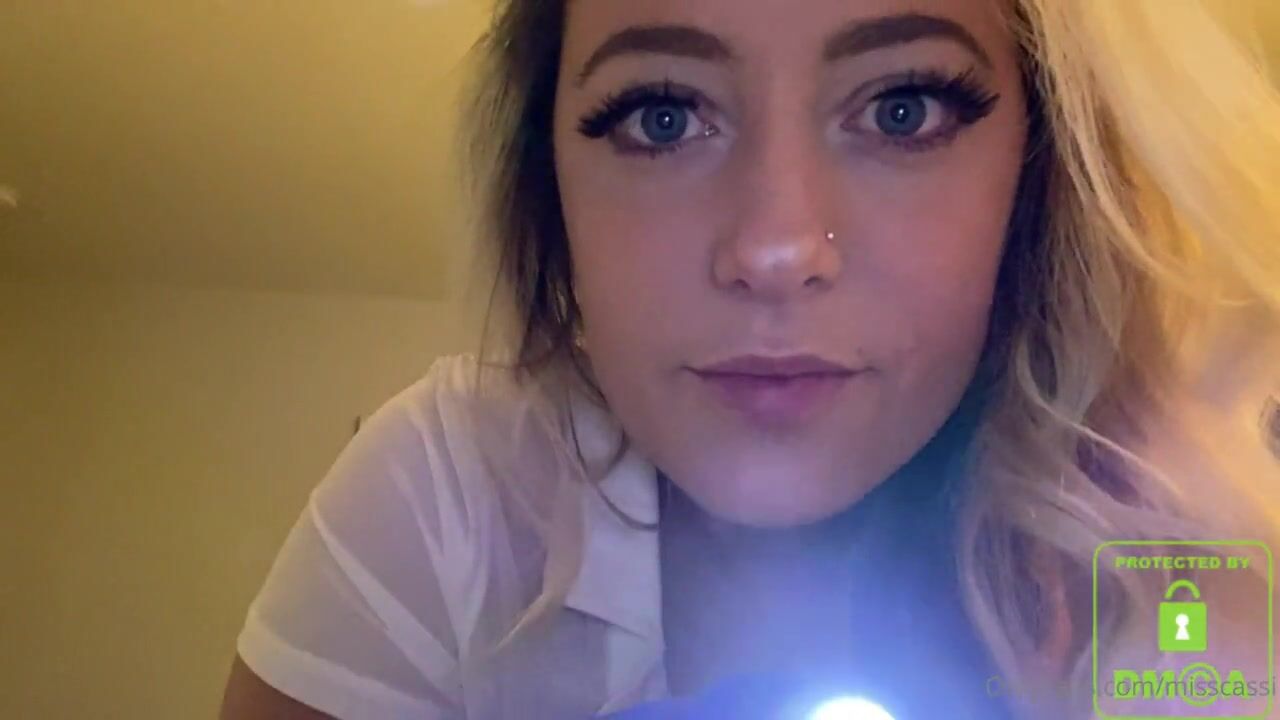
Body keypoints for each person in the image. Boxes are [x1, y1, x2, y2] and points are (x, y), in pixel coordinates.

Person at [219, 0, 1280, 718]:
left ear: (1043, 168)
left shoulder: (1184, 553)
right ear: (547, 187)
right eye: (662, 116)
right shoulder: (456, 491)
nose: (775, 248)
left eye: (902, 108)